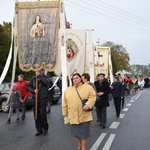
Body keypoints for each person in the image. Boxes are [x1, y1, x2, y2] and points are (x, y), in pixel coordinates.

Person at [62, 73, 96, 150]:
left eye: (77, 78)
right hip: (72, 115)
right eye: (73, 78)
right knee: (76, 133)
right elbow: (65, 103)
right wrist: (65, 114)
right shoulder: (68, 90)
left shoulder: (88, 87)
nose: (75, 79)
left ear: (81, 79)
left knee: (83, 134)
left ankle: (83, 147)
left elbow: (93, 97)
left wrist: (88, 104)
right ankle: (79, 144)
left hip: (84, 115)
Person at [27, 69, 50, 136]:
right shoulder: (33, 78)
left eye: (38, 71)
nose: (36, 72)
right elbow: (28, 86)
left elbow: (47, 84)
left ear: (42, 71)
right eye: (36, 71)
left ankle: (45, 128)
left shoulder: (46, 77)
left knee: (42, 113)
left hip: (42, 98)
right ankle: (39, 129)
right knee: (36, 114)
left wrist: (40, 76)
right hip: (35, 98)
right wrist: (33, 90)